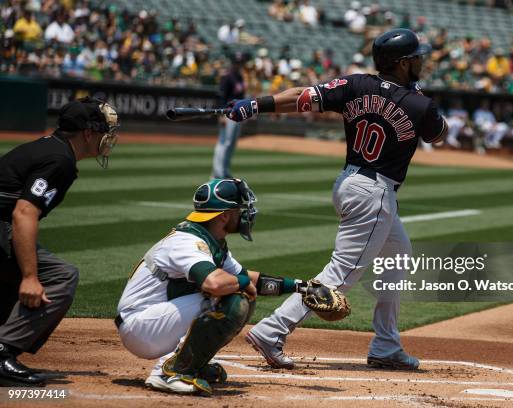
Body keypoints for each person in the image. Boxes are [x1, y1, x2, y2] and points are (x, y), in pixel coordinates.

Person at [224, 28, 447, 370]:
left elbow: (301, 96)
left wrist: (256, 105)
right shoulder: (420, 104)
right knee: (341, 274)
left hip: (349, 183)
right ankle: (272, 330)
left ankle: (386, 345)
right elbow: (439, 133)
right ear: (403, 64)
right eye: (417, 57)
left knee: (398, 256)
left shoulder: (355, 85)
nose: (422, 61)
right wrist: (415, 93)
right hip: (374, 195)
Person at [115, 178, 334, 396]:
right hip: (140, 327)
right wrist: (243, 283)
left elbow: (245, 277)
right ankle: (169, 373)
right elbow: (216, 283)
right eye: (240, 209)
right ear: (225, 215)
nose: (247, 213)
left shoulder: (211, 239)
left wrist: (302, 287)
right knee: (229, 297)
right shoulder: (188, 242)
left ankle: (191, 362)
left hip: (156, 321)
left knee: (237, 293)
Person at [0, 97, 119, 386]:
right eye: (105, 129)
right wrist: (30, 277)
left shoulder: (50, 148)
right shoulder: (60, 160)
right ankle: (3, 352)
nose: (109, 137)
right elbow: (24, 212)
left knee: (14, 265)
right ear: (88, 133)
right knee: (60, 276)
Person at [212, 52, 246, 179]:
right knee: (224, 142)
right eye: (237, 62)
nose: (239, 64)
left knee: (231, 143)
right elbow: (221, 96)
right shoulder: (227, 77)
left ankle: (225, 171)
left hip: (238, 114)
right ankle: (217, 172)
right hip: (227, 113)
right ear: (233, 63)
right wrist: (221, 114)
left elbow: (242, 97)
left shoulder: (240, 77)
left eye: (240, 62)